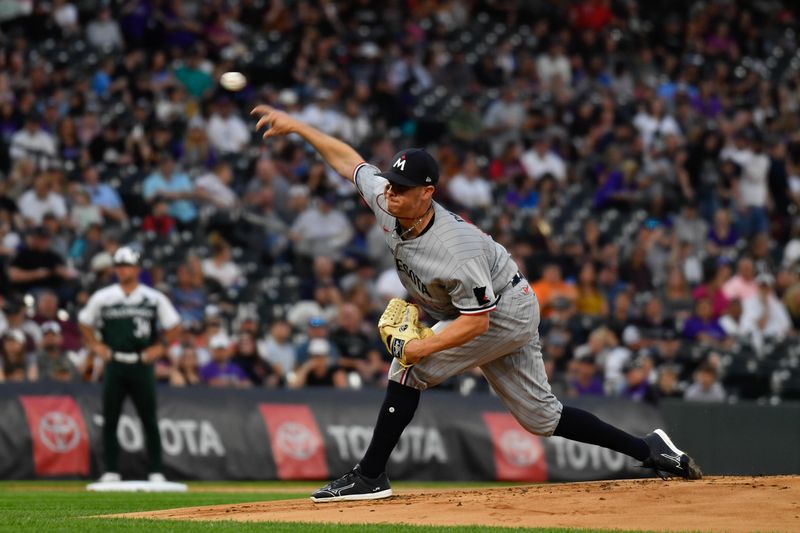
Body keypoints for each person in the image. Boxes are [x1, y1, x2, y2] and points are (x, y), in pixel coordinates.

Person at [251, 104, 702, 503]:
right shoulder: (388, 201)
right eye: (390, 184)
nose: (390, 192)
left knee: (407, 369)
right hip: (480, 305)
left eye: (403, 188)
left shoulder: (455, 249)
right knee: (543, 419)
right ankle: (651, 449)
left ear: (427, 193)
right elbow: (349, 162)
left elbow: (479, 324)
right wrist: (298, 128)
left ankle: (370, 475)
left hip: (502, 311)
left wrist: (419, 348)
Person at [78, 246, 181, 483]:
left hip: (141, 363)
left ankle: (156, 470)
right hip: (114, 362)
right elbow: (84, 322)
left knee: (149, 418)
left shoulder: (153, 297)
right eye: (120, 266)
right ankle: (111, 470)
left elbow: (174, 325)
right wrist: (95, 345)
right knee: (111, 418)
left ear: (137, 268)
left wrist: (160, 347)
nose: (123, 270)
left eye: (127, 266)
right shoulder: (104, 296)